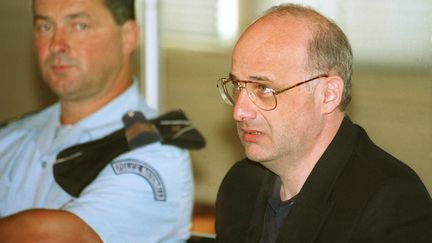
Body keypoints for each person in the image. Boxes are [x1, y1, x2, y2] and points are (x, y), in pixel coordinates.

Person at [215, 3, 432, 243]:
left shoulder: (392, 203)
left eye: (264, 88)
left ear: (328, 94)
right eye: (237, 86)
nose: (239, 111)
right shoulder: (240, 184)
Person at [0, 0, 193, 242]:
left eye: (80, 26)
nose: (57, 45)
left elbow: (56, 237)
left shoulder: (155, 151)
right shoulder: (12, 137)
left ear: (128, 37)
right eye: (45, 27)